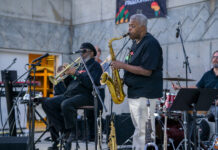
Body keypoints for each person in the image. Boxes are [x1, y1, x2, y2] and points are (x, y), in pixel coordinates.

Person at [111, 14, 163, 150]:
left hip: (145, 94)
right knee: (139, 130)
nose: (129, 29)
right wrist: (121, 79)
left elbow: (147, 71)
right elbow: (133, 66)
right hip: (134, 93)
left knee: (144, 132)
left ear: (143, 27)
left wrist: (122, 65)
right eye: (129, 25)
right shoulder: (135, 43)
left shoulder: (150, 43)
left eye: (133, 26)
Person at [42, 42, 103, 150]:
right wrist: (65, 75)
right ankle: (65, 132)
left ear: (91, 52)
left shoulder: (95, 66)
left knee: (66, 104)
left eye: (83, 51)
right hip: (71, 94)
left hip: (86, 95)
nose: (81, 54)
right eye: (80, 52)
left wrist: (76, 73)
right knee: (47, 102)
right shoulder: (79, 65)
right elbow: (71, 83)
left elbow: (91, 83)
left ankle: (72, 133)